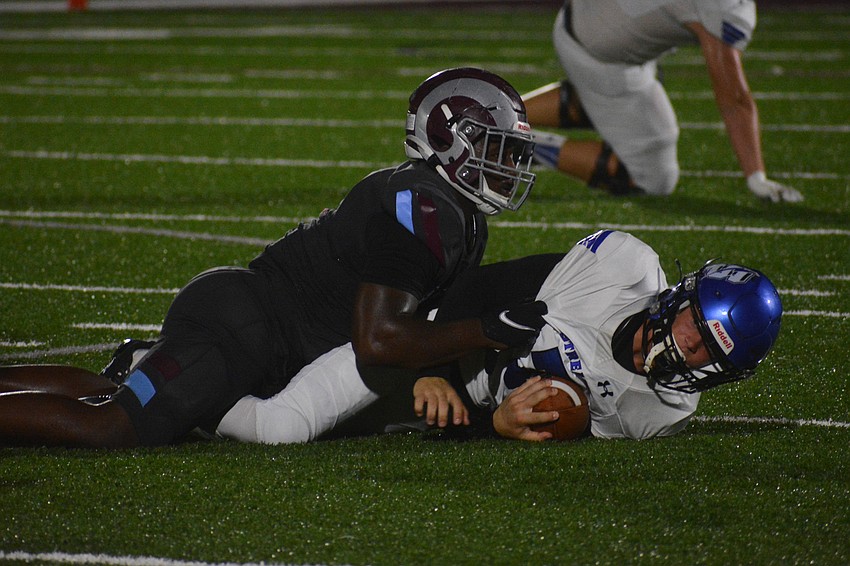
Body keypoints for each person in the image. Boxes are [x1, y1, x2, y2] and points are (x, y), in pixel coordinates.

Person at [0, 67, 546, 448]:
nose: (510, 163)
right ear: (450, 142)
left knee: (122, 391)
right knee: (114, 427)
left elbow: (417, 325)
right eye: (498, 147)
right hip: (242, 331)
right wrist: (487, 330)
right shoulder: (423, 205)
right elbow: (378, 338)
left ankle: (120, 365)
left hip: (267, 344)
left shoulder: (459, 215)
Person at [214, 230, 784, 444]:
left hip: (447, 410)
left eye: (712, 354)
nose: (691, 348)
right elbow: (477, 287)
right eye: (697, 329)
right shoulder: (620, 269)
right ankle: (178, 387)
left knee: (312, 423)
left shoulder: (662, 409)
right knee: (278, 427)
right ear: (680, 298)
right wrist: (429, 367)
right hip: (422, 343)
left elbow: (536, 418)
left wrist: (495, 426)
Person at [521, 0, 803, 202]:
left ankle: (496, 111)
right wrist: (757, 177)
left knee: (607, 100)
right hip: (603, 57)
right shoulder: (725, 6)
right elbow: (734, 99)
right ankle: (519, 141)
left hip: (590, 26)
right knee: (653, 177)